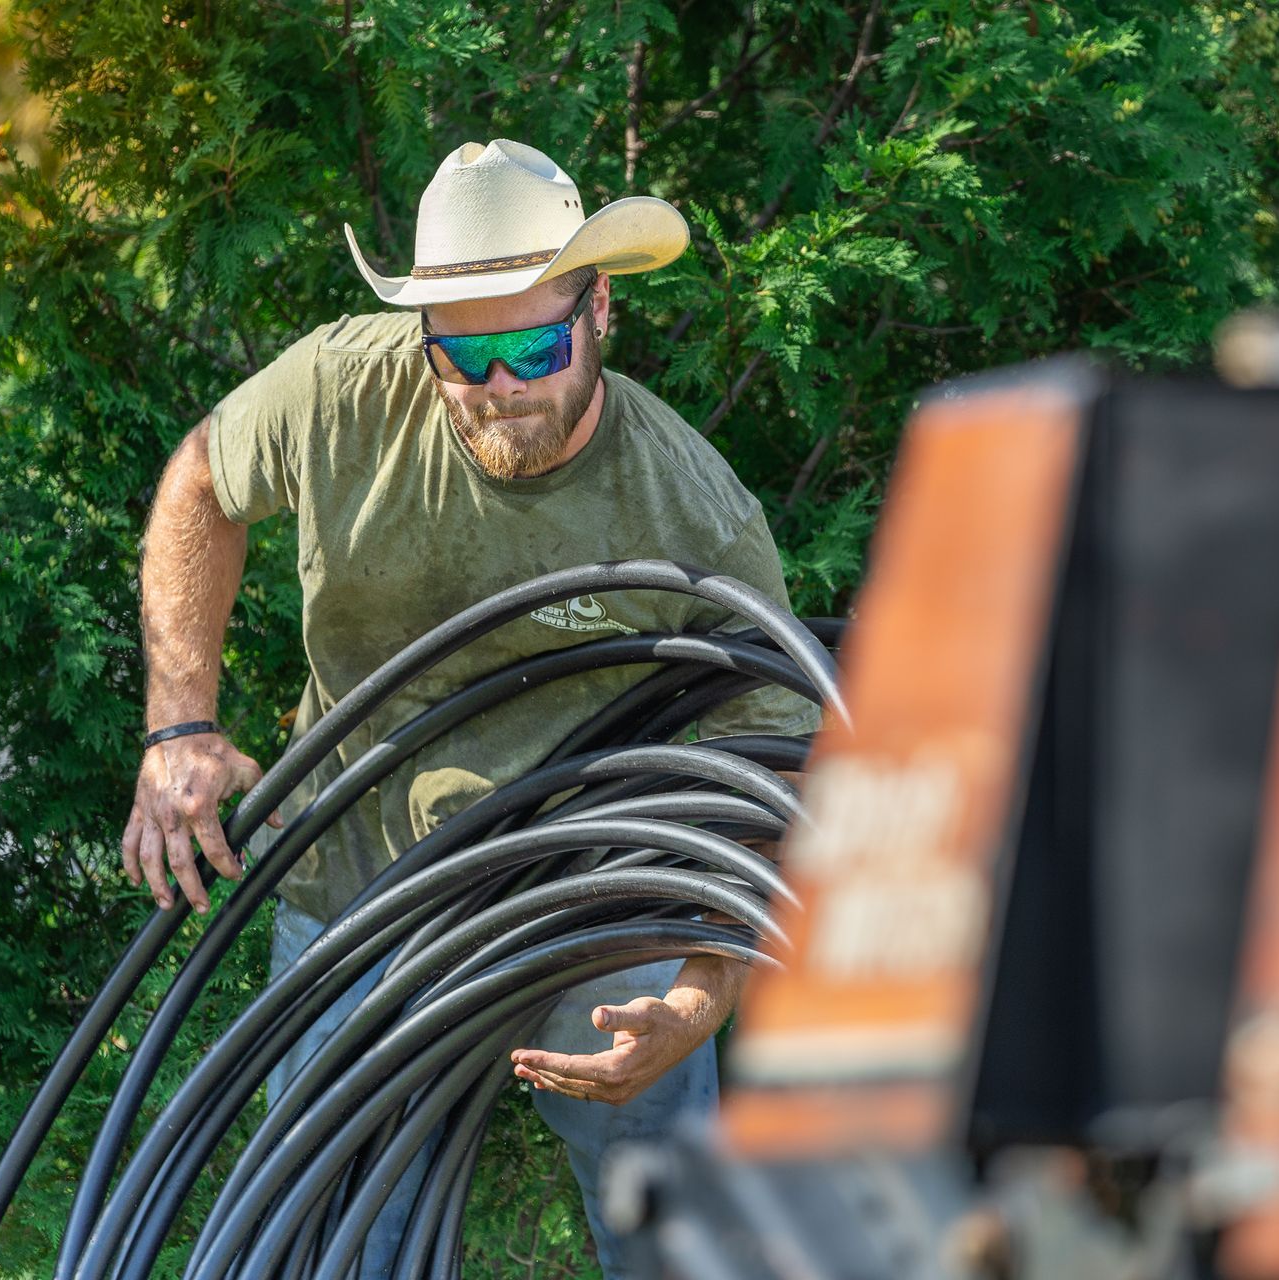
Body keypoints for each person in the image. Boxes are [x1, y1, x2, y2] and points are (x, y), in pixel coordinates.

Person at [119, 138, 815, 1277]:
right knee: (325, 1245)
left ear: (600, 312)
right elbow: (201, 479)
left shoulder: (693, 514)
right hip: (363, 892)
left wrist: (702, 990)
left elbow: (768, 759)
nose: (498, 383)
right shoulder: (340, 390)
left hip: (597, 906)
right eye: (462, 352)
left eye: (533, 344)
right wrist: (179, 725)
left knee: (679, 1242)